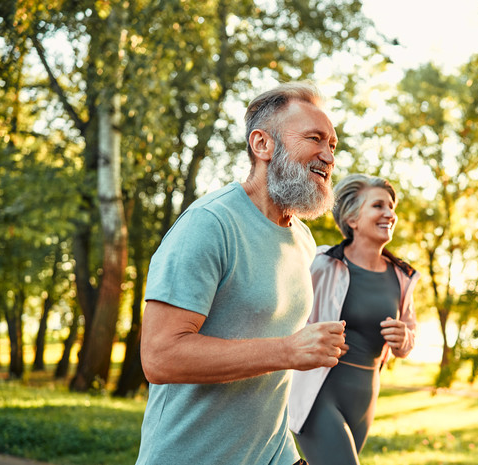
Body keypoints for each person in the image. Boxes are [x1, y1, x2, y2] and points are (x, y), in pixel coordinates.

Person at [136, 81, 347, 465]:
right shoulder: (209, 224)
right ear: (262, 144)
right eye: (314, 139)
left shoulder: (301, 239)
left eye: (332, 145)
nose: (328, 156)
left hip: (273, 455)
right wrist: (288, 349)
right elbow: (159, 356)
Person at [288, 173, 420, 465]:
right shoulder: (323, 263)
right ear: (352, 219)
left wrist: (404, 338)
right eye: (378, 206)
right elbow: (289, 318)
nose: (389, 213)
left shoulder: (402, 276)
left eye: (391, 207)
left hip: (365, 394)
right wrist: (318, 338)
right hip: (319, 391)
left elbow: (409, 331)